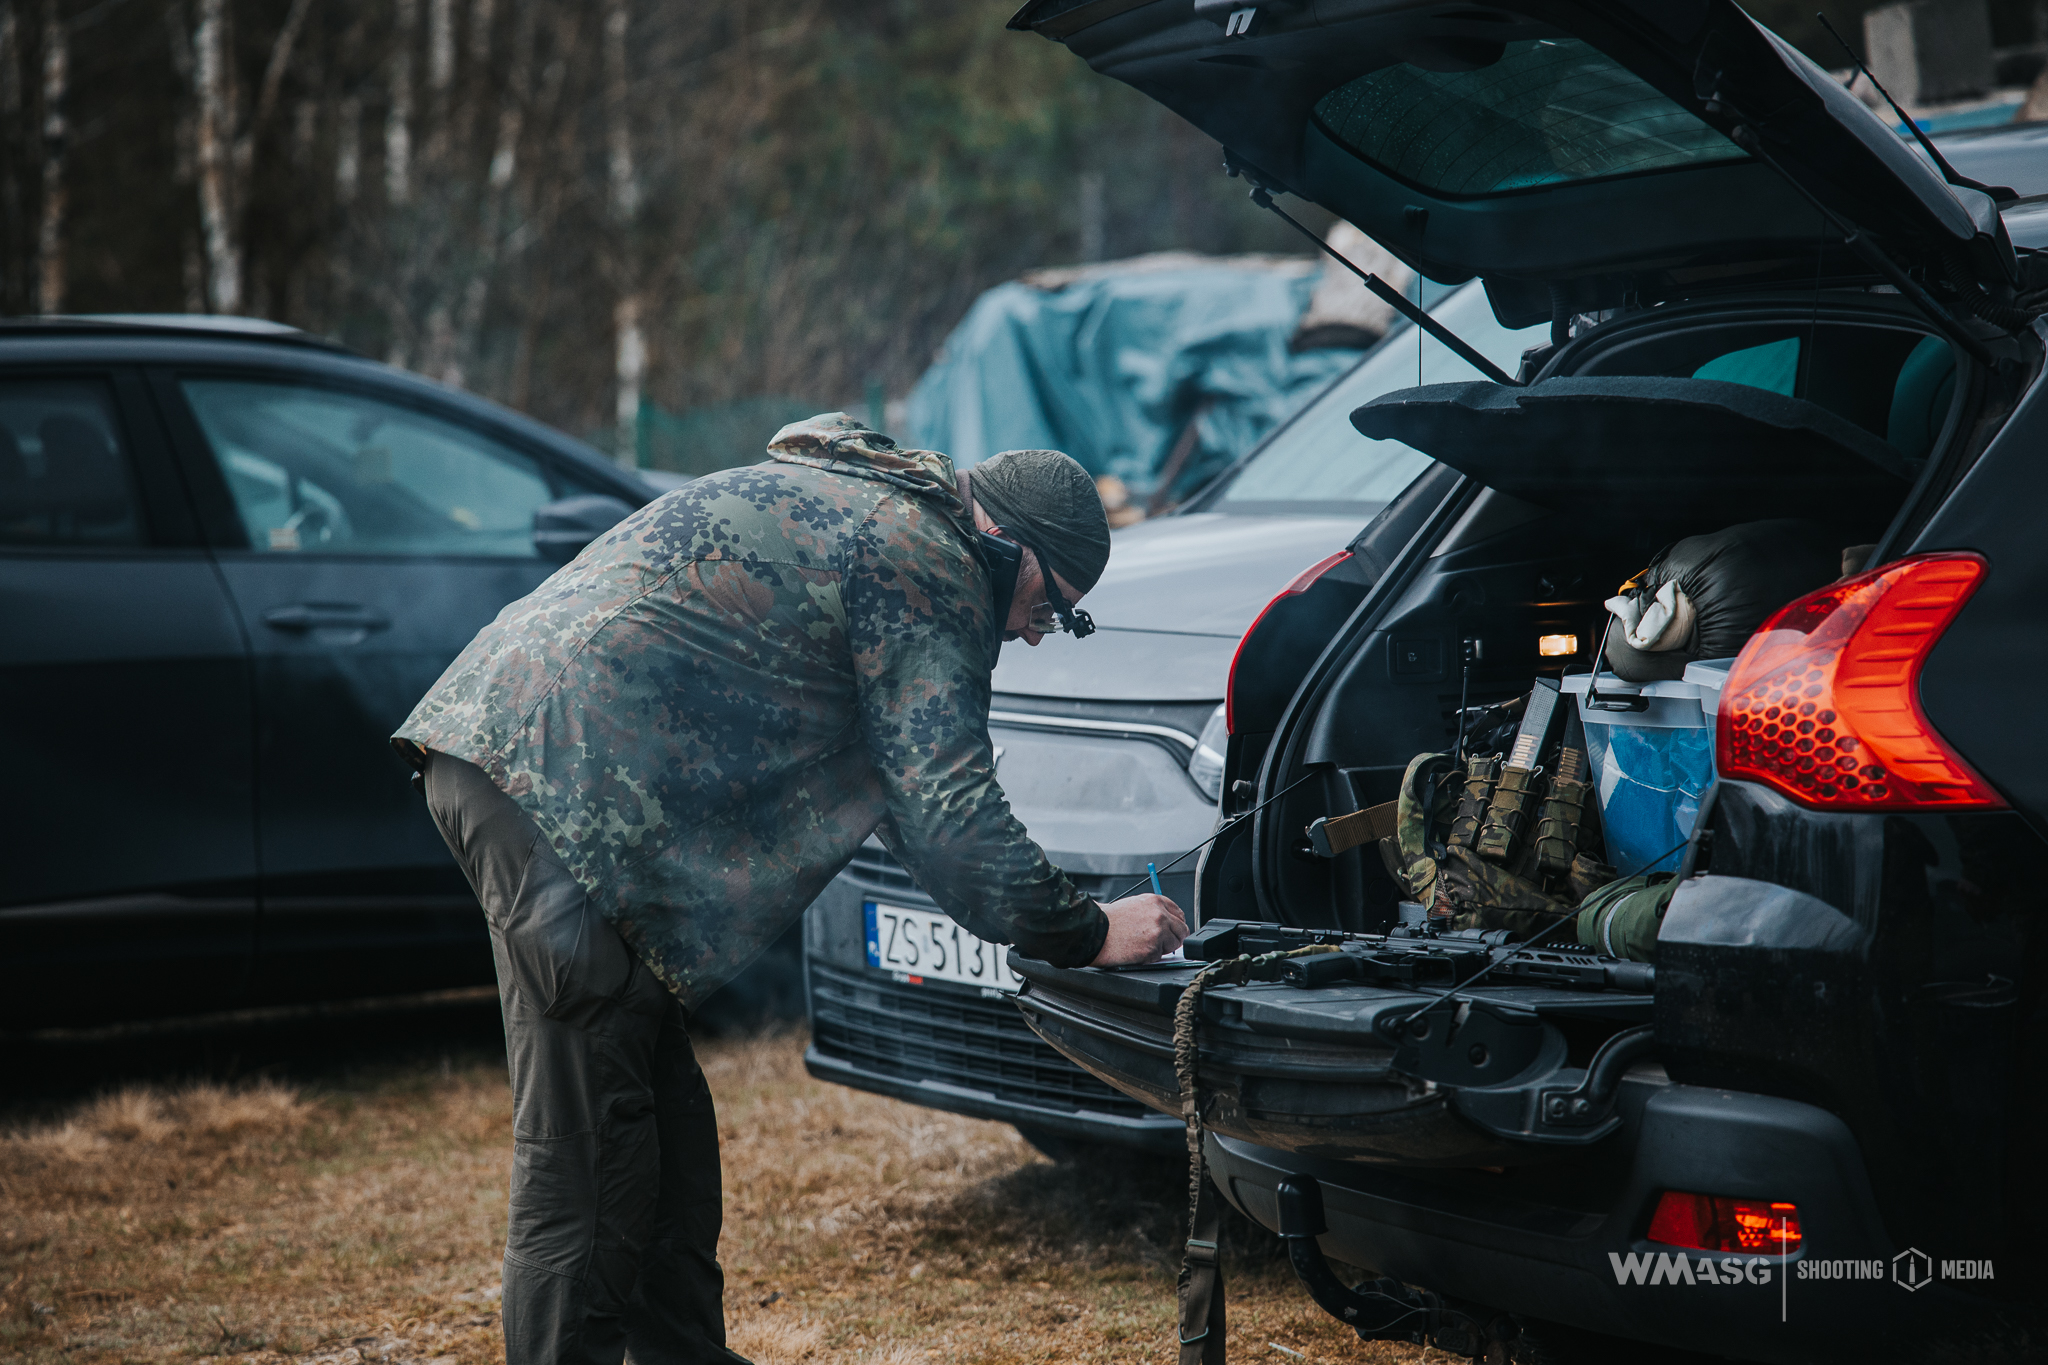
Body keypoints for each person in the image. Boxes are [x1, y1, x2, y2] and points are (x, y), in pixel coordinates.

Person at [391, 412, 1188, 1365]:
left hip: (537, 765)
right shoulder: (925, 561)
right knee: (589, 1156)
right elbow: (949, 809)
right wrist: (1089, 929)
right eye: (1049, 608)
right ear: (1010, 547)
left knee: (663, 1128)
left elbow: (910, 797)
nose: (1035, 633)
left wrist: (1035, 899)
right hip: (553, 784)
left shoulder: (878, 514)